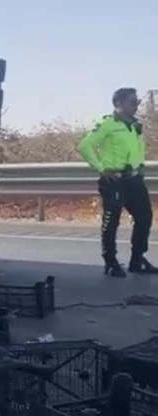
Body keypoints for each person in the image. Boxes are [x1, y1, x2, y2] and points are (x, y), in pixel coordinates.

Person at [78, 87, 157, 277]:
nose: (136, 106)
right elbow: (85, 146)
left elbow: (136, 149)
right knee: (111, 221)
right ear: (119, 103)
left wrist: (140, 167)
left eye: (138, 102)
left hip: (134, 180)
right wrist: (101, 168)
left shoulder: (135, 125)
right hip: (114, 181)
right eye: (133, 102)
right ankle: (111, 261)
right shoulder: (107, 124)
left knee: (144, 218)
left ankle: (137, 259)